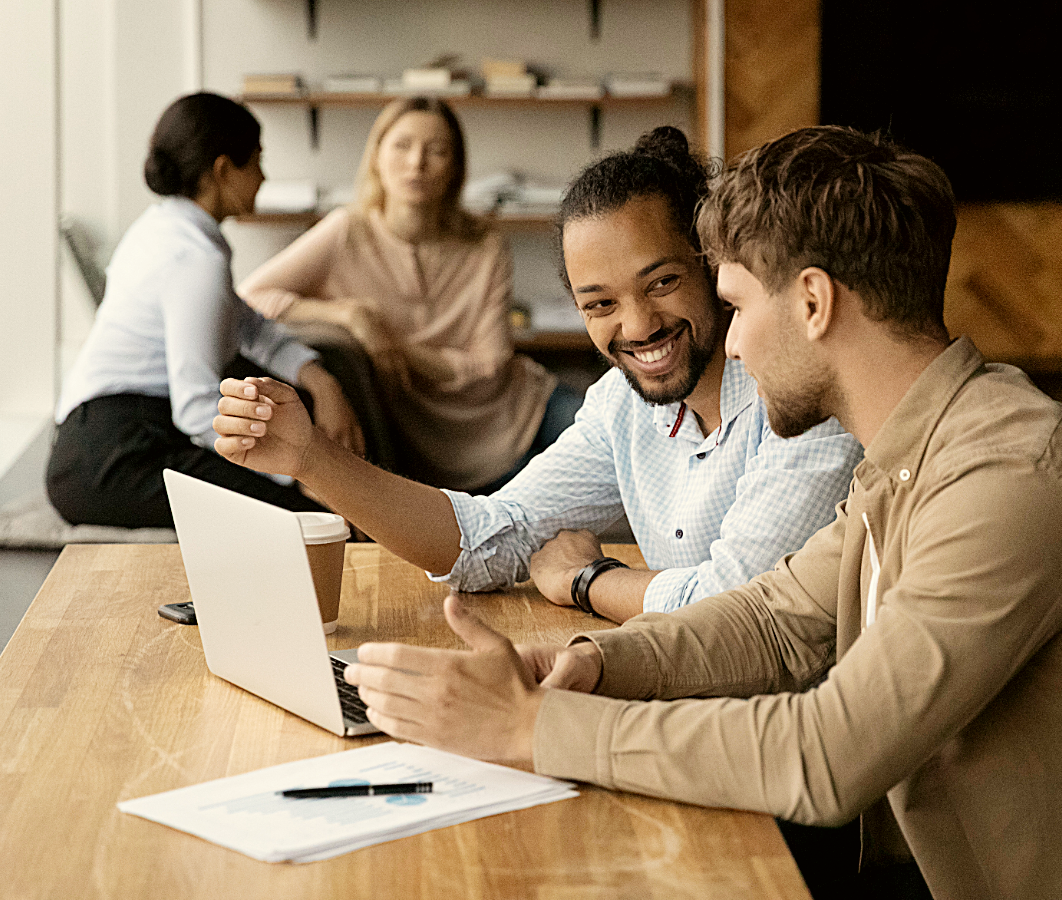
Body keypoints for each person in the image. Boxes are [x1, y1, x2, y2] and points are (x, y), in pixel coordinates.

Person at [334, 126, 1062, 900]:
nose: (734, 343)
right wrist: (590, 666)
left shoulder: (1005, 479)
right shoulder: (919, 450)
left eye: (739, 303)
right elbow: (776, 620)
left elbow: (827, 754)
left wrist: (537, 727)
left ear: (815, 303)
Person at [213, 127, 862, 622]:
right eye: (600, 304)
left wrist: (589, 580)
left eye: (661, 282)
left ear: (712, 266)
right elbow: (487, 538)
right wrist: (312, 458)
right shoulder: (623, 405)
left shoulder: (802, 396)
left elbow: (734, 601)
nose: (636, 326)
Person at [47, 92, 361, 529]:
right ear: (222, 170)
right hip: (114, 456)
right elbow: (196, 406)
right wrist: (293, 473)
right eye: (255, 162)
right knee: (316, 524)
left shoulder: (169, 227)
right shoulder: (194, 259)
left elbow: (249, 325)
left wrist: (321, 381)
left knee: (315, 514)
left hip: (103, 439)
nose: (263, 177)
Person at [239, 96, 574, 493]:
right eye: (402, 146)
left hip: (518, 413)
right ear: (377, 156)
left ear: (455, 168)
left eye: (437, 151)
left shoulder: (485, 244)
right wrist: (348, 316)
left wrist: (392, 345)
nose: (417, 163)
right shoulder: (346, 231)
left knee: (618, 436)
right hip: (423, 445)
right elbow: (249, 297)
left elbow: (491, 369)